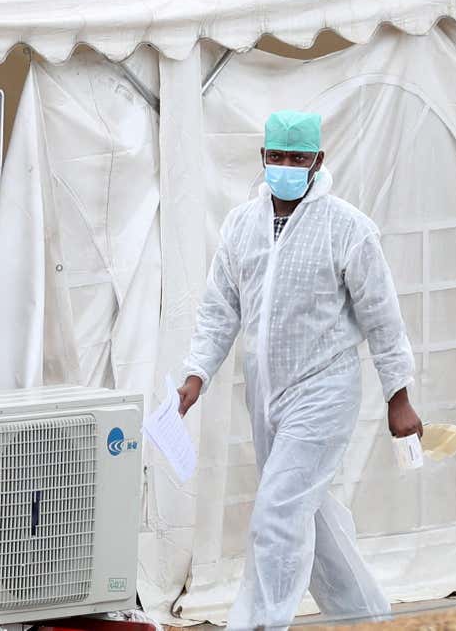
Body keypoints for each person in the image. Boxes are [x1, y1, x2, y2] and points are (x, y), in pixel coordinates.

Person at [177, 110, 419, 631]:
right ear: (262, 157)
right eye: (277, 157)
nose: (286, 166)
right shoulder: (242, 225)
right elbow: (221, 307)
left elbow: (382, 315)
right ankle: (366, 616)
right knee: (305, 509)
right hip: (264, 394)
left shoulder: (347, 228)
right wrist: (196, 374)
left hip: (324, 391)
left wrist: (398, 396)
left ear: (318, 161)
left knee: (278, 512)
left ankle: (260, 625)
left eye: (298, 158)